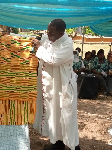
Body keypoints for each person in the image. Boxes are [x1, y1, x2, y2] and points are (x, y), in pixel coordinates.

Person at [32, 19, 80, 150]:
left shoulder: (67, 43)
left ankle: (73, 146)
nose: (48, 35)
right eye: (47, 31)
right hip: (50, 85)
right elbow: (40, 43)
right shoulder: (48, 38)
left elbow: (54, 60)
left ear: (61, 32)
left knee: (66, 115)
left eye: (51, 32)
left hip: (62, 85)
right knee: (53, 114)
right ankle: (57, 143)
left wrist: (39, 48)